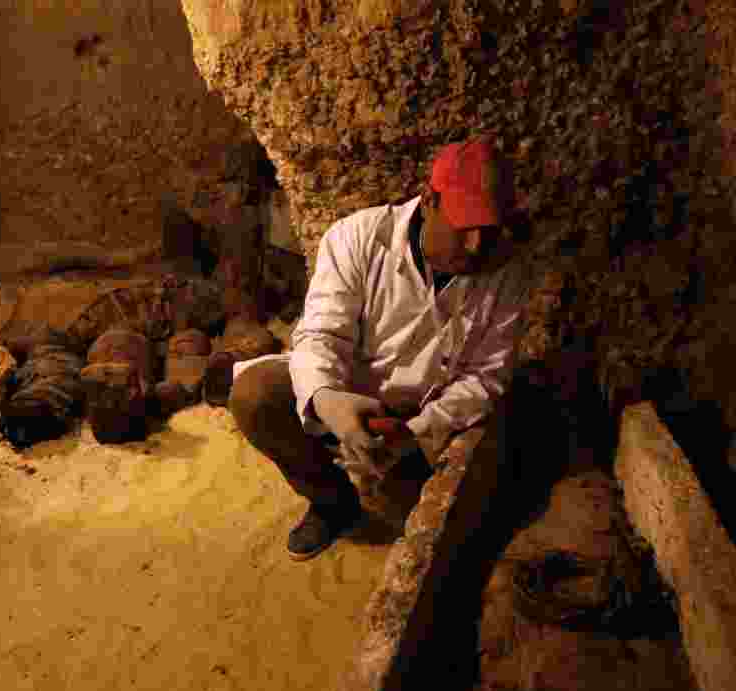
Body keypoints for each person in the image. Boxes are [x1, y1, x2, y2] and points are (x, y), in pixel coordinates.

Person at [212, 135, 532, 561]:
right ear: (428, 200)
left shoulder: (507, 273)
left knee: (434, 533)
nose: (476, 246)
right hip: (346, 392)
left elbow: (485, 377)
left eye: (487, 231)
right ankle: (332, 503)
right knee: (254, 395)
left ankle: (389, 481)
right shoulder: (357, 238)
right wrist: (328, 401)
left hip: (416, 422)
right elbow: (320, 335)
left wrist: (418, 432)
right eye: (464, 227)